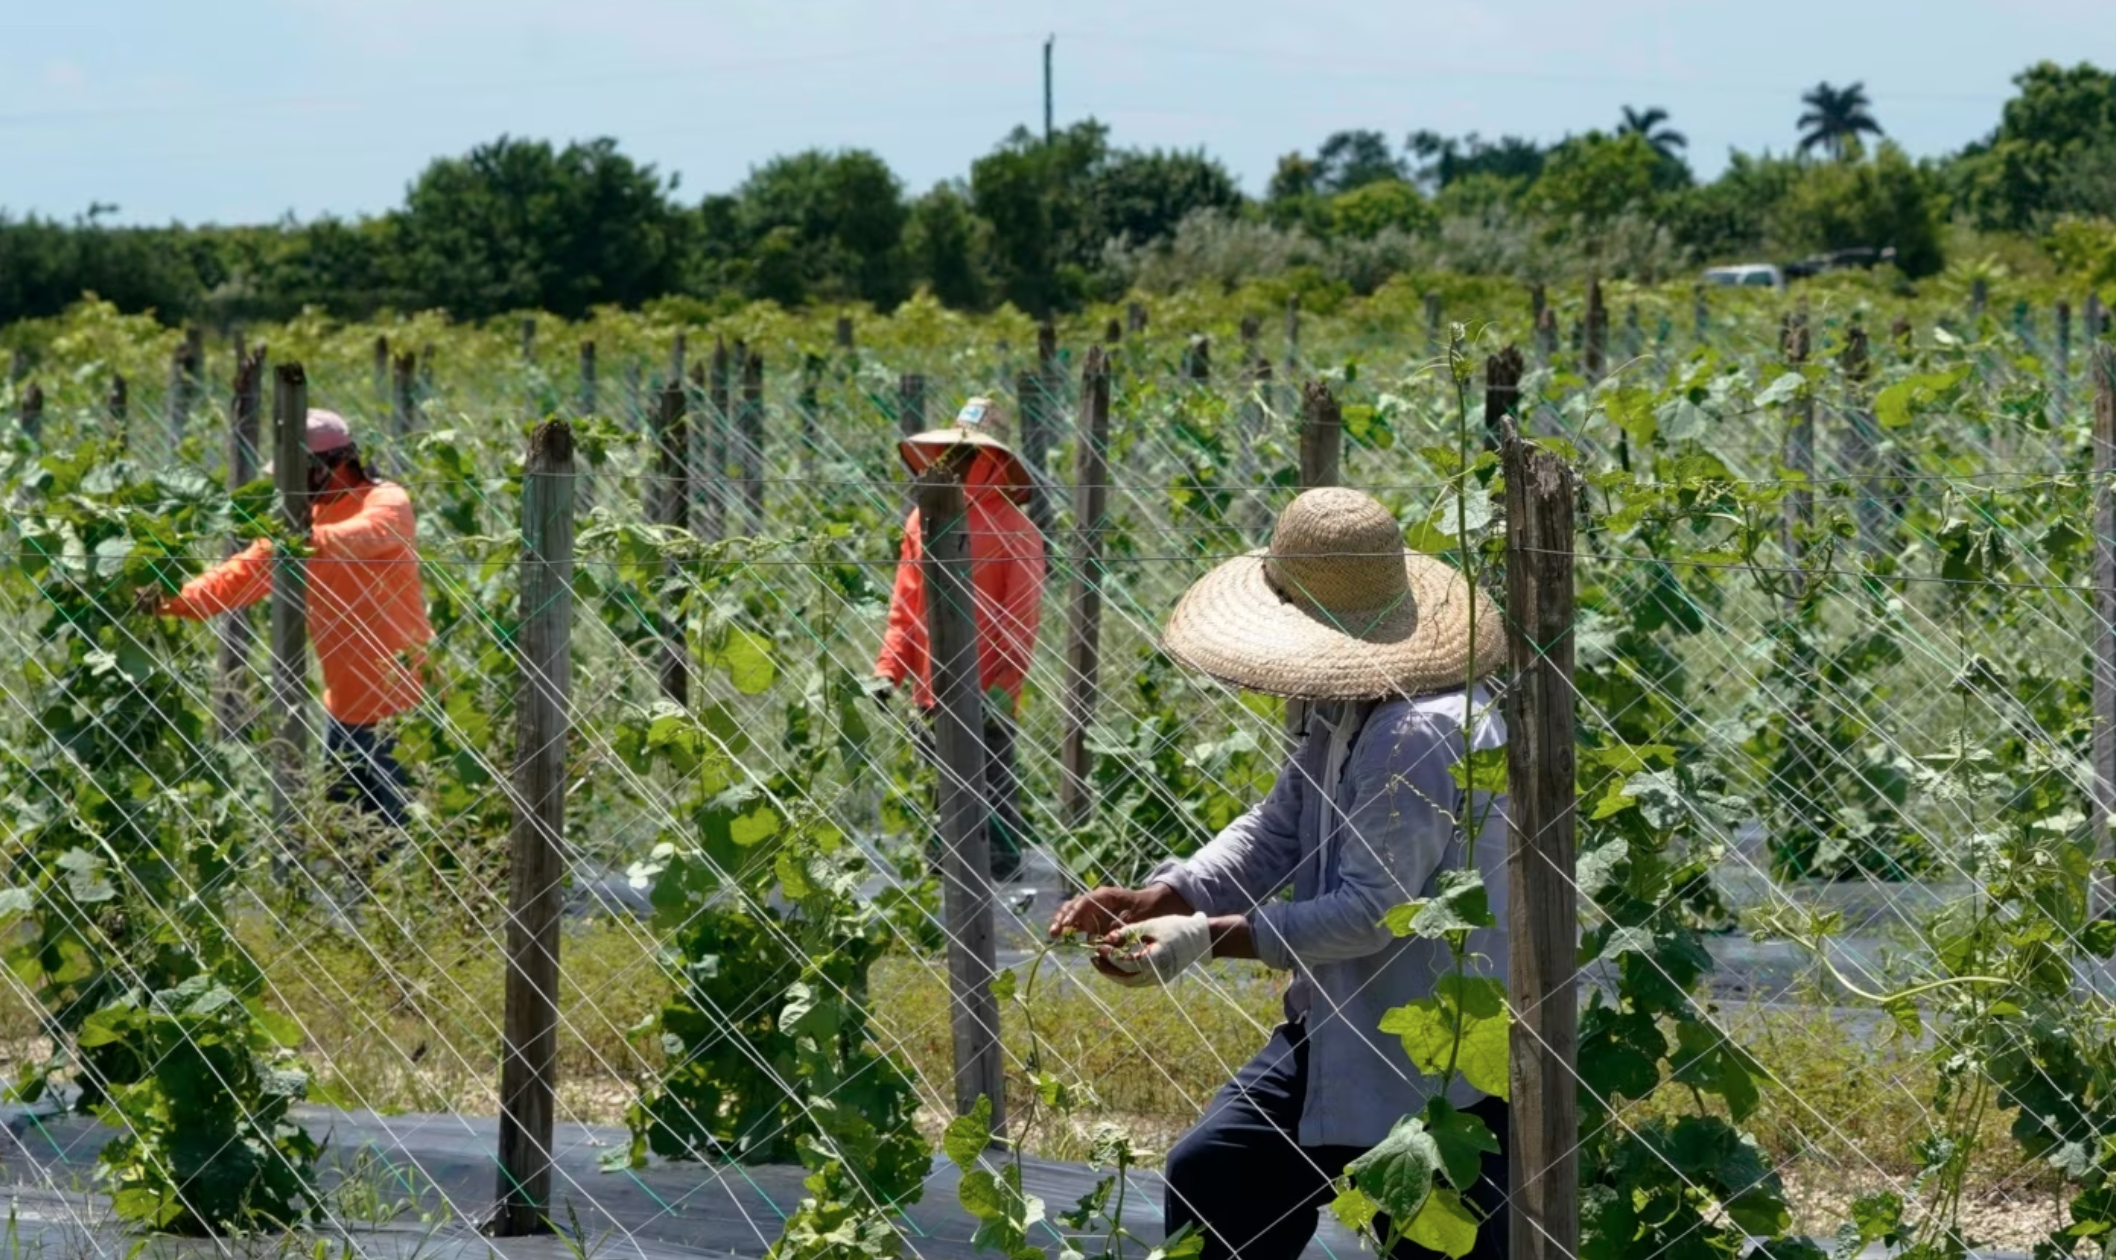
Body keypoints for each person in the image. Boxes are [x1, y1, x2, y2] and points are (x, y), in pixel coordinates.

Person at [1049, 486, 1511, 1260]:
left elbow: (1370, 912)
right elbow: (1279, 825)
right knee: (1216, 1174)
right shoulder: (1352, 704)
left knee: (1439, 1243)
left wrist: (1199, 938)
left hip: (1434, 1058)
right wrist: (1170, 893)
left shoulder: (1420, 733)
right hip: (1336, 1024)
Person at [149, 409, 433, 829]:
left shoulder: (387, 501)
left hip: (404, 706)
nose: (284, 487)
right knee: (351, 836)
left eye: (292, 474)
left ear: (329, 466)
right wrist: (163, 601)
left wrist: (298, 542)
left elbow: (365, 534)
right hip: (344, 707)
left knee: (406, 833)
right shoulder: (299, 528)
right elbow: (235, 579)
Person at [874, 396, 1045, 883]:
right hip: (932, 683)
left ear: (993, 459)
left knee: (991, 785)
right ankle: (941, 879)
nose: (956, 461)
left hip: (988, 686)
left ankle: (1003, 879)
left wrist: (1005, 686)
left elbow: (1022, 618)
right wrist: (888, 669)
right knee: (938, 785)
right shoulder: (920, 521)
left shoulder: (1017, 528)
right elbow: (906, 604)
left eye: (968, 453)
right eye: (952, 451)